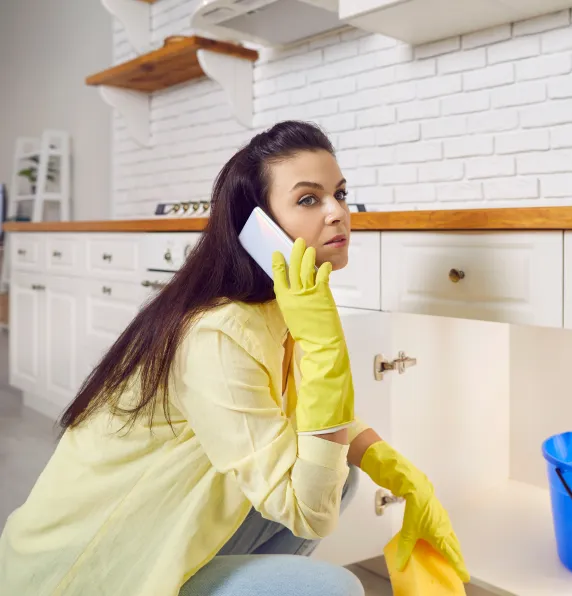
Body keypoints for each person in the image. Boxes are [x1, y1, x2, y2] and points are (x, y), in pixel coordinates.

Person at [0, 120, 469, 596]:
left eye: (340, 193)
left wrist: (390, 465)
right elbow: (311, 512)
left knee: (342, 471)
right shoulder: (219, 332)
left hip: (163, 526)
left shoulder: (280, 305)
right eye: (309, 199)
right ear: (259, 227)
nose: (338, 213)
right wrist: (327, 347)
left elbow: (301, 404)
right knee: (334, 588)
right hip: (89, 573)